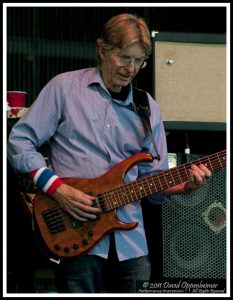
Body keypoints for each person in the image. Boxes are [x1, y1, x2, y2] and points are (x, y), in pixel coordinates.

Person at [7, 13, 212, 293]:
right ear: (102, 50)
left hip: (132, 245)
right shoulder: (64, 88)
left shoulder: (148, 107)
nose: (131, 68)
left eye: (139, 61)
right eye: (124, 57)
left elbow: (153, 183)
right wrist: (57, 189)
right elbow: (18, 141)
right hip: (74, 232)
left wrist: (184, 186)